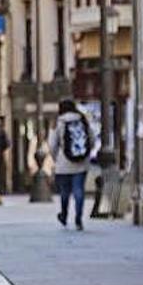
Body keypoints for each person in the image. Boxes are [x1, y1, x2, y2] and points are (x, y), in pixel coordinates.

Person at [49, 99, 94, 231]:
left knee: (65, 192)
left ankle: (64, 215)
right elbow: (91, 139)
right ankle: (78, 219)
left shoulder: (59, 122)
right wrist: (85, 154)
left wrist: (56, 158)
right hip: (81, 162)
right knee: (79, 190)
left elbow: (52, 145)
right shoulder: (82, 119)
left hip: (64, 163)